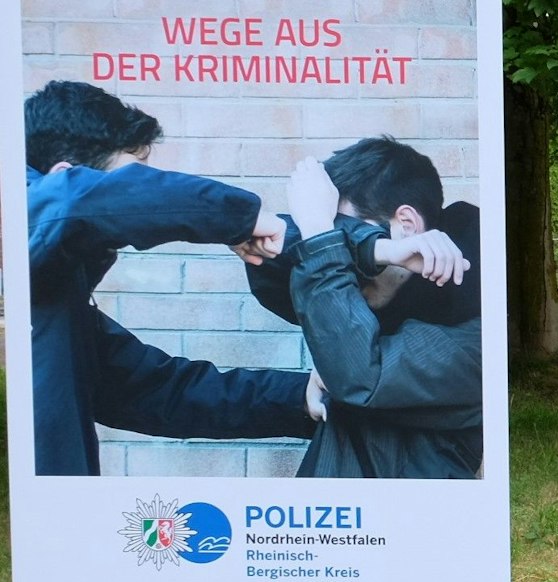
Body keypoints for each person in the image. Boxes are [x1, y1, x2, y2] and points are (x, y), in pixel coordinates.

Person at [24, 80, 315, 475]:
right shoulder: (24, 226)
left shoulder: (56, 291)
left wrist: (299, 396)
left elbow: (160, 392)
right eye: (128, 183)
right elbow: (70, 203)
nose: (139, 196)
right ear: (63, 177)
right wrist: (240, 220)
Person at [245, 137, 482, 478]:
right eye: (344, 240)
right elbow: (269, 271)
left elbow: (361, 377)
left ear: (407, 225)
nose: (343, 255)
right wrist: (367, 246)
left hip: (413, 523)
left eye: (352, 235)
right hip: (343, 520)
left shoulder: (475, 324)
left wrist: (319, 233)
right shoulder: (387, 298)